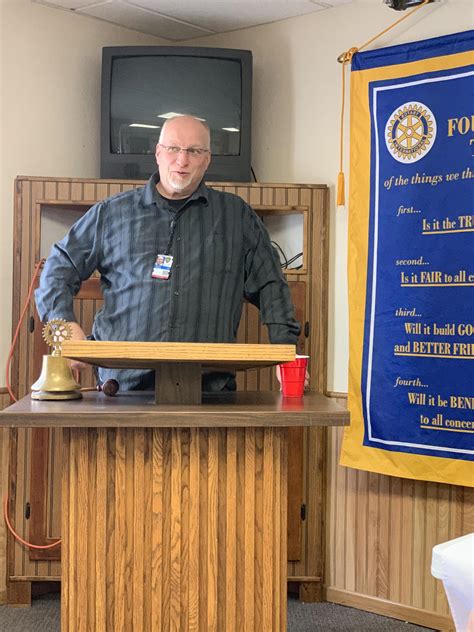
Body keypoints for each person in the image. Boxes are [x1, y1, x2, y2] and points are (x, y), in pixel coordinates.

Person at [35, 115, 300, 391]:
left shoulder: (237, 217)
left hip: (210, 395)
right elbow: (59, 266)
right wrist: (63, 329)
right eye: (173, 148)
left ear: (207, 159)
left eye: (194, 151)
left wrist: (287, 353)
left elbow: (271, 284)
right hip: (120, 393)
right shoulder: (111, 214)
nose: (182, 160)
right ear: (158, 153)